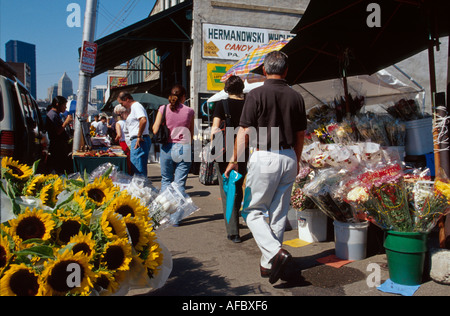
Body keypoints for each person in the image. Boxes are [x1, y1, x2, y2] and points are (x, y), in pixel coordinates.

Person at [225, 51, 307, 284]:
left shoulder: (256, 94)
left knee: (252, 211)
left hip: (265, 156)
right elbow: (300, 134)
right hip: (289, 155)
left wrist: (233, 160)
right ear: (286, 70)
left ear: (264, 71)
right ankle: (268, 264)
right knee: (278, 213)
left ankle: (275, 253)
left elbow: (244, 132)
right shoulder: (296, 96)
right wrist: (296, 159)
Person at [211, 76, 247, 243]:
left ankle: (233, 231)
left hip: (224, 152)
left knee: (227, 190)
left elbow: (215, 129)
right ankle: (236, 216)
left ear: (227, 89)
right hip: (243, 150)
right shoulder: (249, 103)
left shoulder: (221, 104)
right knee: (238, 186)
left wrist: (212, 147)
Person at [152, 84, 194, 197]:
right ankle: (177, 214)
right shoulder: (190, 111)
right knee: (179, 183)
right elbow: (191, 132)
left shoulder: (163, 108)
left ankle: (166, 211)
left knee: (166, 180)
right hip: (184, 147)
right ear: (184, 97)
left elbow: (155, 130)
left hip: (167, 147)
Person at [117, 92, 151, 177]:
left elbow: (143, 120)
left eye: (122, 103)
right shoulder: (134, 107)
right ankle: (140, 186)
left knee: (138, 169)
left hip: (139, 139)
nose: (122, 105)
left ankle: (140, 187)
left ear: (127, 99)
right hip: (138, 139)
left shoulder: (136, 106)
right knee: (138, 167)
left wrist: (139, 136)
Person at [45, 96, 73, 174]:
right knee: (59, 170)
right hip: (57, 148)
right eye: (64, 105)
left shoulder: (56, 114)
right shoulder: (52, 115)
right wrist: (66, 122)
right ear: (58, 104)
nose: (65, 107)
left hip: (60, 147)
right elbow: (57, 132)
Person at [114, 104, 131, 174]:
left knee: (125, 159)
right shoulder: (128, 122)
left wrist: (115, 140)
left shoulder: (118, 123)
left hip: (123, 143)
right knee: (130, 159)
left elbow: (119, 135)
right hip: (129, 141)